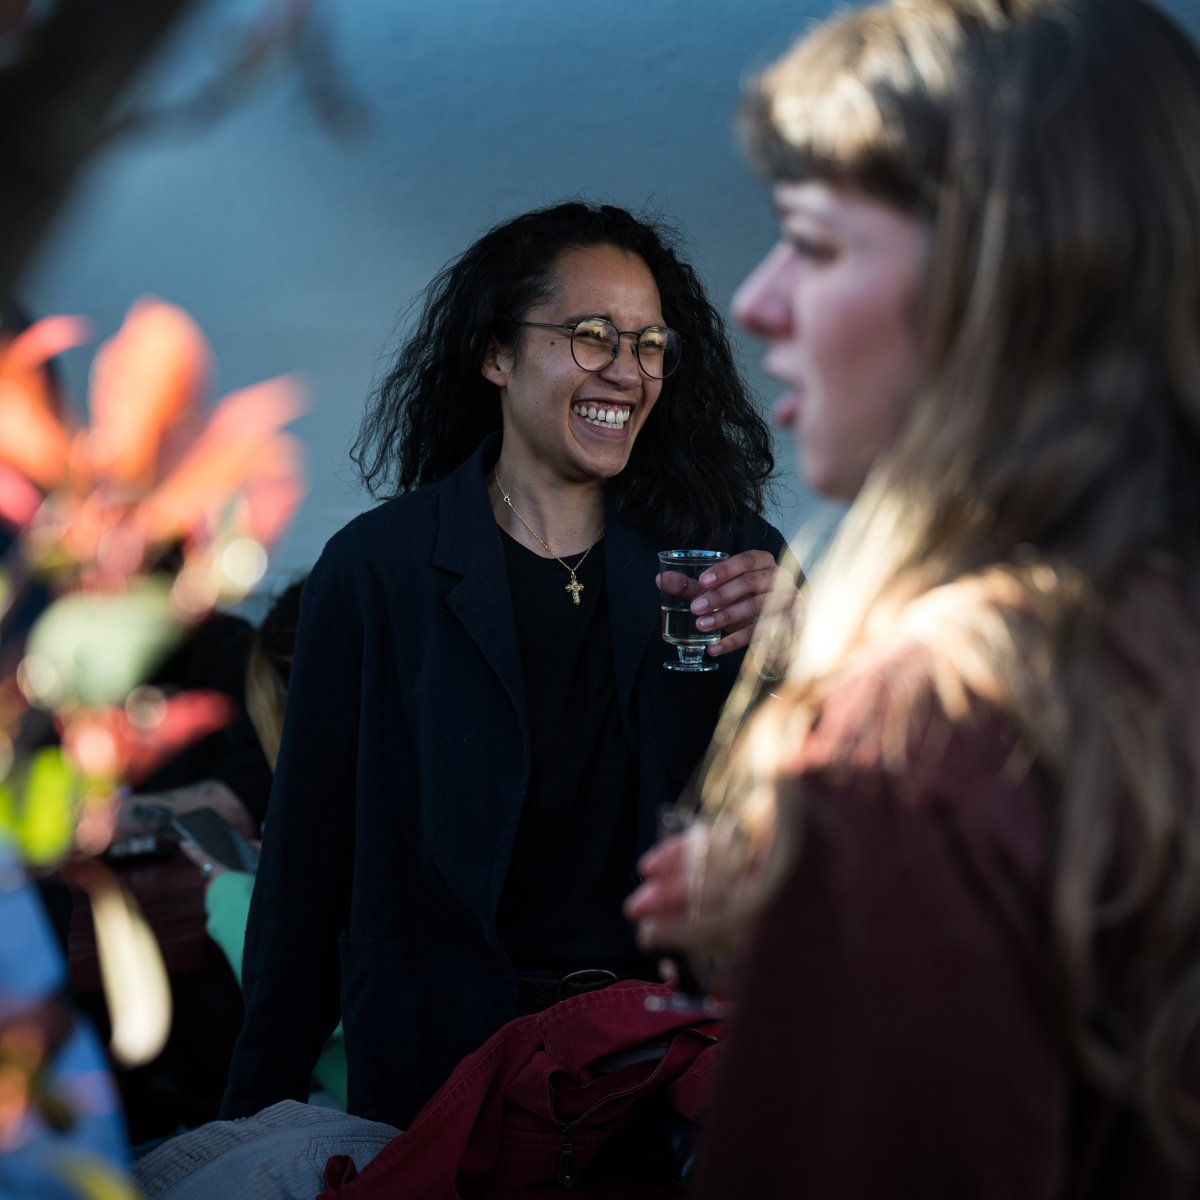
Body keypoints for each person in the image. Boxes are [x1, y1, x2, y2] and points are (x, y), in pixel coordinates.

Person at [627, 0, 1200, 1195]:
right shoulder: (1150, 634)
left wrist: (865, 864)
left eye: (817, 244)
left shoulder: (920, 736)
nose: (755, 303)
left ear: (1010, 289)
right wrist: (803, 935)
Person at [221, 201, 784, 1131]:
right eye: (592, 334)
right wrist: (251, 1121)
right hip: (446, 1078)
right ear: (495, 354)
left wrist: (805, 649)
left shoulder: (720, 560)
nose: (627, 370)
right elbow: (305, 870)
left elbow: (828, 809)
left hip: (673, 1064)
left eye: (650, 343)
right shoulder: (378, 573)